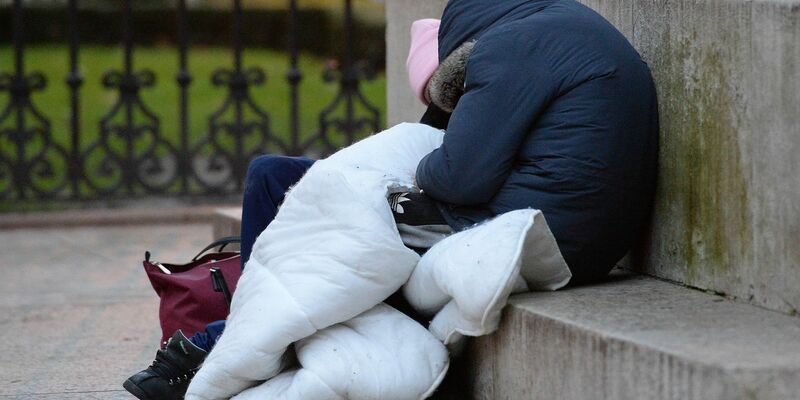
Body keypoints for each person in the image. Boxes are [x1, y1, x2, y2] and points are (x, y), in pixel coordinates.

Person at [127, 0, 661, 395]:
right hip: (575, 229)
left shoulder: (510, 48)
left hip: (539, 229)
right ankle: (238, 324)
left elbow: (458, 178)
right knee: (282, 179)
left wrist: (416, 166)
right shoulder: (555, 33)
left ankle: (215, 343)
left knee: (337, 233)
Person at [123, 19, 450, 400]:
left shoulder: (504, 72)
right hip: (403, 187)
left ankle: (232, 337)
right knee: (270, 172)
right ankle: (246, 321)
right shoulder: (471, 82)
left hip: (426, 214)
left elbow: (462, 177)